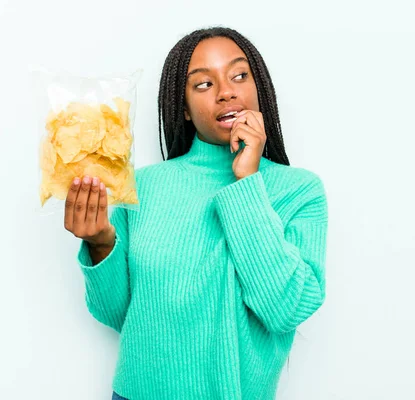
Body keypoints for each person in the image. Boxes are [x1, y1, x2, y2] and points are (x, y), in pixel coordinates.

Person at [64, 26, 329, 400]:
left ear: (259, 89)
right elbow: (123, 316)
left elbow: (285, 310)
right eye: (204, 84)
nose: (227, 92)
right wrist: (100, 243)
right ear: (183, 109)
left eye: (239, 75)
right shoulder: (140, 187)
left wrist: (246, 182)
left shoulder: (299, 190)